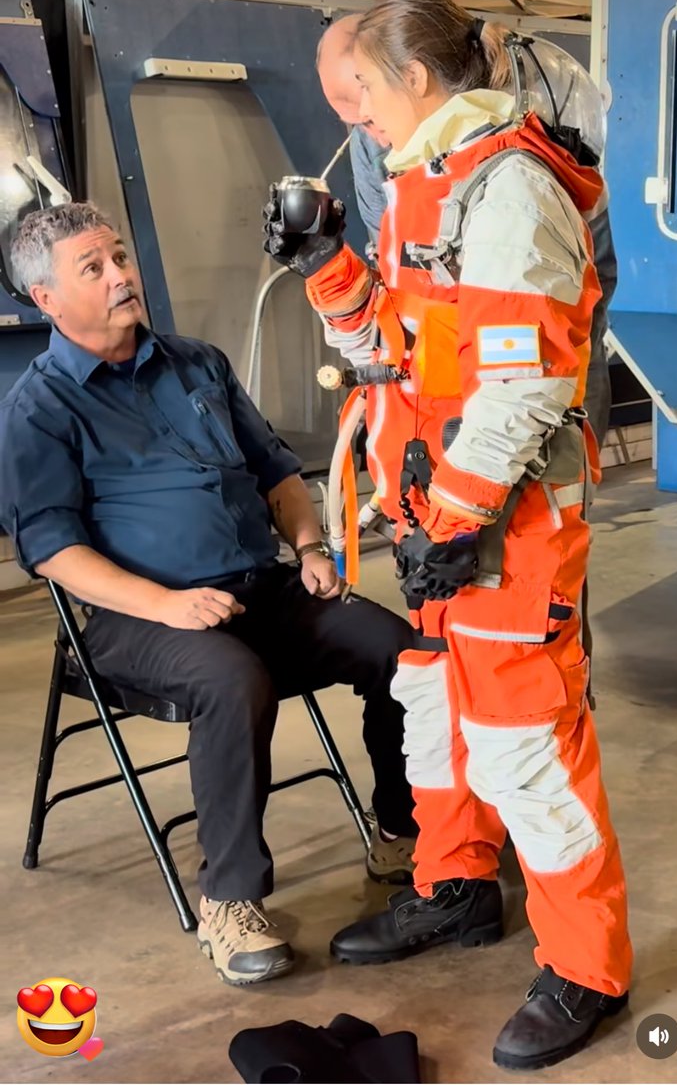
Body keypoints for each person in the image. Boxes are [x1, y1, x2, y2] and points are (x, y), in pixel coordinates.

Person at [265, 0, 632, 1070]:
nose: (349, 121)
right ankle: (456, 889)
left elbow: (522, 392)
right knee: (434, 713)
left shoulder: (509, 190)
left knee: (528, 750)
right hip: (434, 521)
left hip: (501, 531)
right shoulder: (427, 184)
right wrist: (327, 263)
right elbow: (393, 348)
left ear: (416, 79)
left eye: (356, 95)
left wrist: (459, 519)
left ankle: (587, 970)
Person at [0, 202, 420, 987]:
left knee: (397, 649)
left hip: (259, 586)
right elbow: (51, 550)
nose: (122, 276)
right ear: (46, 299)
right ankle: (229, 900)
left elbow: (278, 472)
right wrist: (163, 604)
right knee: (232, 679)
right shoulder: (40, 408)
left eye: (119, 257)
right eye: (93, 268)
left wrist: (309, 548)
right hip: (136, 618)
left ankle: (401, 827)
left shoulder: (197, 362)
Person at [316, 12, 618, 448]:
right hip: (436, 411)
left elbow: (586, 287)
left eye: (367, 111)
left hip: (517, 399)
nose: (370, 129)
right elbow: (395, 276)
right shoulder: (374, 140)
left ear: (413, 78)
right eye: (353, 122)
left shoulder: (518, 166)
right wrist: (325, 268)